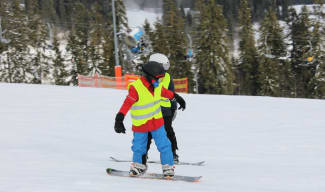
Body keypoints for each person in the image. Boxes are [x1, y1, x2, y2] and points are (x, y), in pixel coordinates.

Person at [114, 61, 186, 178]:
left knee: (165, 145)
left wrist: (177, 98)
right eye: (158, 78)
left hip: (157, 123)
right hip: (141, 125)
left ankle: (168, 167)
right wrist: (119, 119)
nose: (159, 80)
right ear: (149, 76)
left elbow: (166, 93)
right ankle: (138, 166)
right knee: (139, 146)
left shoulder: (156, 85)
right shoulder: (136, 88)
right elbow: (126, 104)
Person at [142, 53, 180, 165]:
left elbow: (172, 94)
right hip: (151, 111)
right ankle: (143, 155)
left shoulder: (168, 78)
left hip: (165, 112)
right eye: (164, 66)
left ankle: (173, 154)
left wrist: (174, 109)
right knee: (147, 134)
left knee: (168, 133)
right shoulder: (146, 78)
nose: (165, 70)